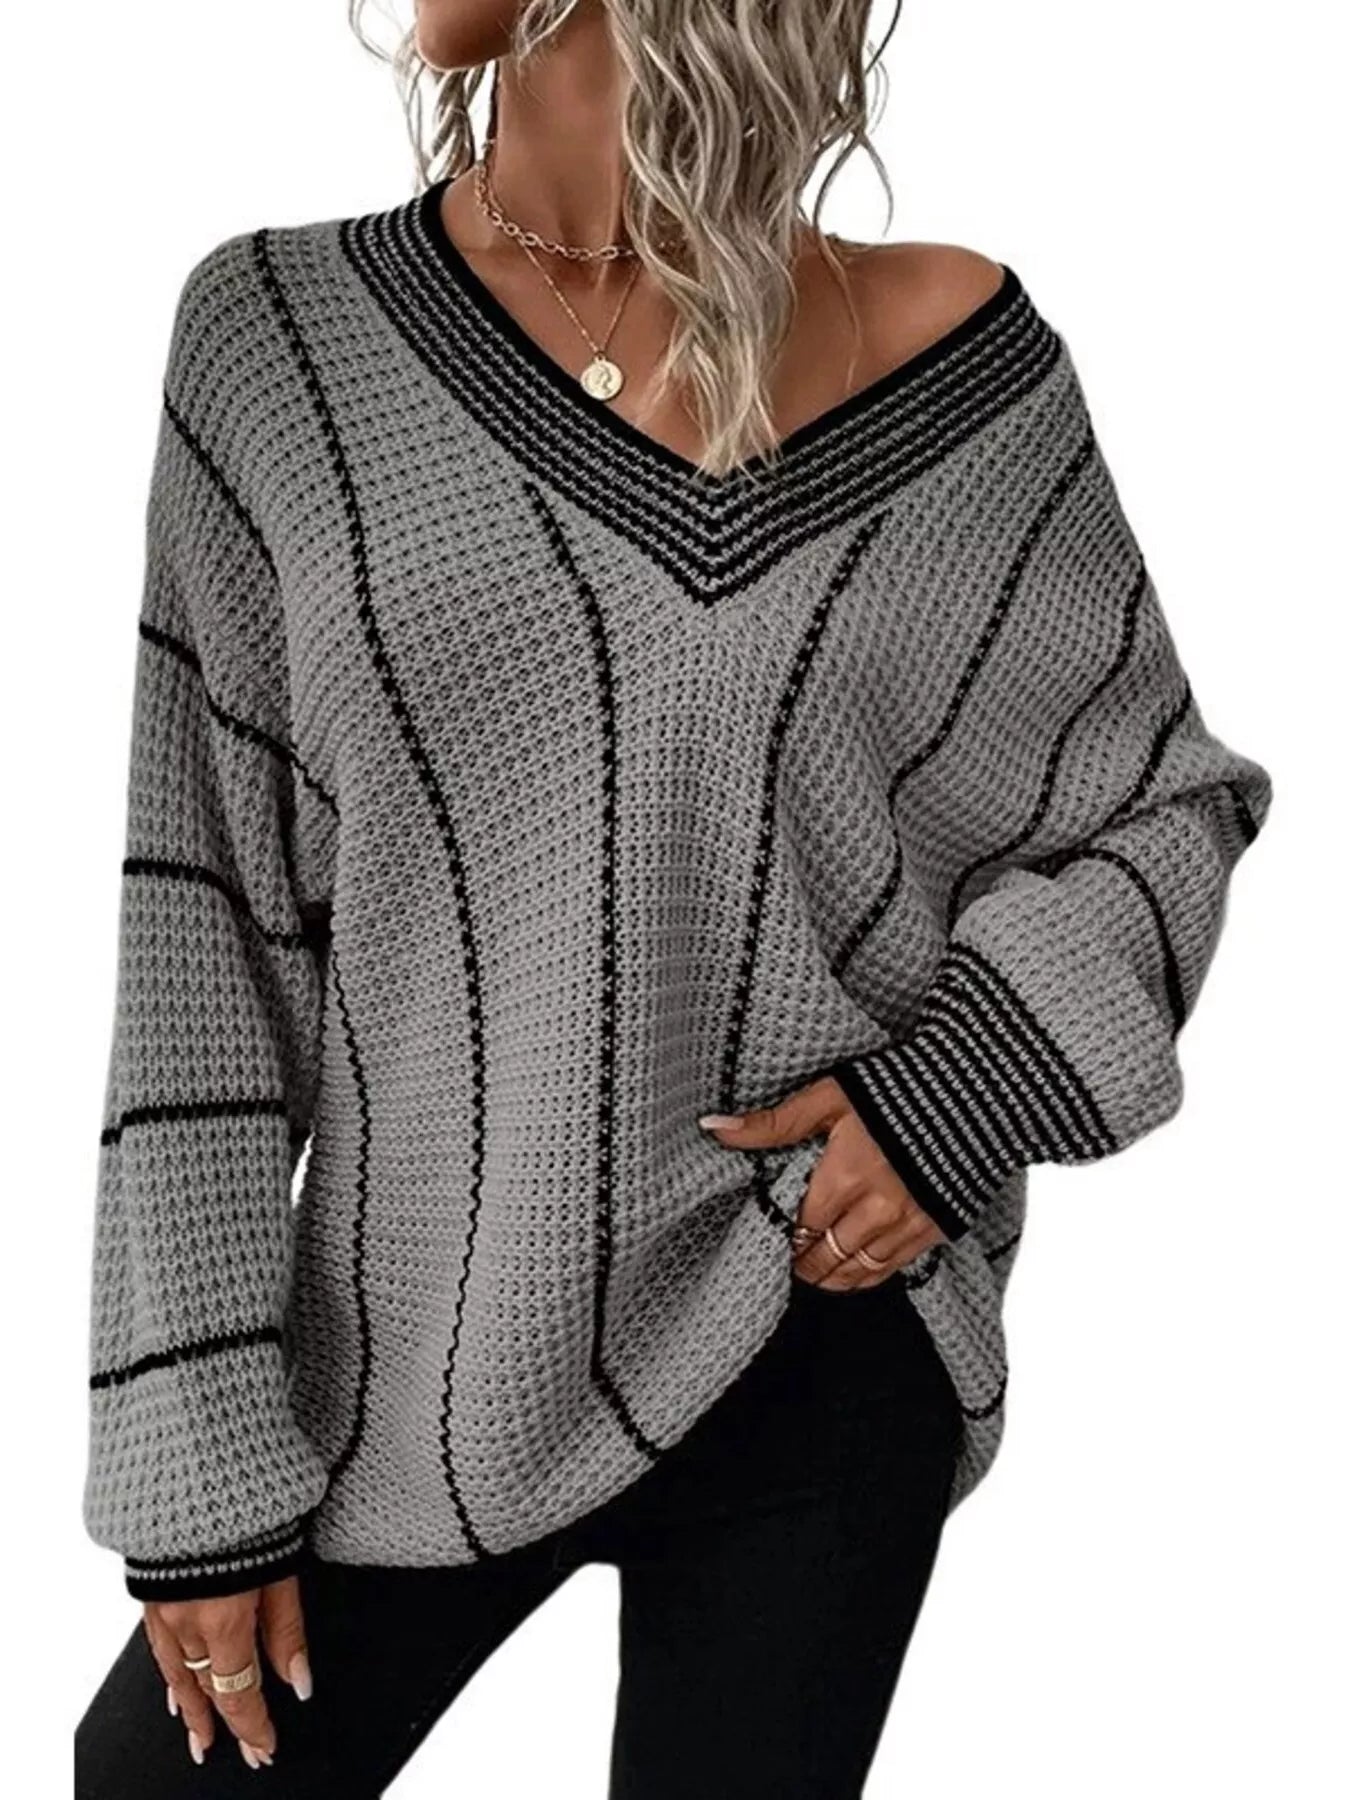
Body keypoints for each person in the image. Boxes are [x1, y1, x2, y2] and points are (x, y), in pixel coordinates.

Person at [74, 2, 1273, 1795]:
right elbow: (204, 934)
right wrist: (198, 1460)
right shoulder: (278, 343)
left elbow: (1161, 800)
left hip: (819, 1329)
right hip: (412, 1354)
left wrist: (956, 1092)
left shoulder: (961, 364)